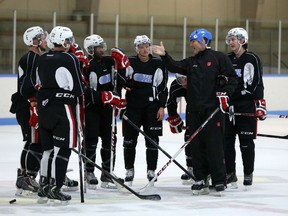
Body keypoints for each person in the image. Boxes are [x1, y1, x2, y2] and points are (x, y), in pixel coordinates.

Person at [152, 28, 238, 195]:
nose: (193, 47)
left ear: (204, 41)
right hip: (194, 112)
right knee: (197, 147)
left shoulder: (219, 58)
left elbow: (233, 78)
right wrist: (164, 55)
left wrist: (225, 93)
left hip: (212, 111)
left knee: (214, 146)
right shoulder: (191, 62)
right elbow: (174, 65)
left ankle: (219, 180)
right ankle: (200, 178)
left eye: (195, 43)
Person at [36, 26, 85, 202]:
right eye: (69, 40)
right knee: (63, 149)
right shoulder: (69, 58)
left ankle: (44, 185)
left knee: (47, 149)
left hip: (44, 109)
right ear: (63, 41)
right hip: (62, 110)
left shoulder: (42, 58)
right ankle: (56, 188)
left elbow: (38, 83)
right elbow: (78, 89)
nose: (71, 43)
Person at [120, 35, 168, 186]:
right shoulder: (130, 63)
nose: (144, 49)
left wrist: (162, 106)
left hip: (151, 108)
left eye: (146, 46)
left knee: (152, 141)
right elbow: (120, 81)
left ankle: (151, 171)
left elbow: (163, 88)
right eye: (141, 47)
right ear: (136, 49)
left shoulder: (158, 64)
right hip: (132, 107)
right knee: (129, 141)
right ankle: (129, 170)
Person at [82, 34, 128, 189]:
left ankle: (107, 173)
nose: (102, 50)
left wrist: (122, 64)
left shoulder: (110, 62)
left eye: (103, 46)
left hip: (107, 110)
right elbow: (85, 91)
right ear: (90, 50)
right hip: (91, 110)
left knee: (109, 141)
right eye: (98, 47)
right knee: (91, 141)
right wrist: (104, 97)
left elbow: (122, 81)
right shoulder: (86, 66)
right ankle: (89, 172)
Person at [224, 27, 266, 189]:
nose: (231, 42)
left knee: (246, 142)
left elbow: (257, 82)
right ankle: (230, 173)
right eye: (230, 39)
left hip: (246, 106)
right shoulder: (226, 58)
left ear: (243, 40)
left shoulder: (252, 58)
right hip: (228, 106)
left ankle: (248, 173)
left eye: (234, 39)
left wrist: (260, 104)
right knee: (227, 142)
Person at [10, 26, 47, 196]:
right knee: (35, 142)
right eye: (42, 37)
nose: (45, 39)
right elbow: (26, 87)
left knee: (32, 141)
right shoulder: (31, 58)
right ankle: (28, 177)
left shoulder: (37, 58)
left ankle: (25, 175)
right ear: (35, 41)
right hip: (27, 106)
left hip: (29, 105)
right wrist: (34, 103)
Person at [166, 73, 195, 185]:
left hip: (205, 109)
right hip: (191, 110)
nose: (183, 83)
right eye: (180, 80)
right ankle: (190, 168)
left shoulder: (199, 81)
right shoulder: (176, 85)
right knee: (188, 137)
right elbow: (171, 102)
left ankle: (206, 170)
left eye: (185, 79)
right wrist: (174, 118)